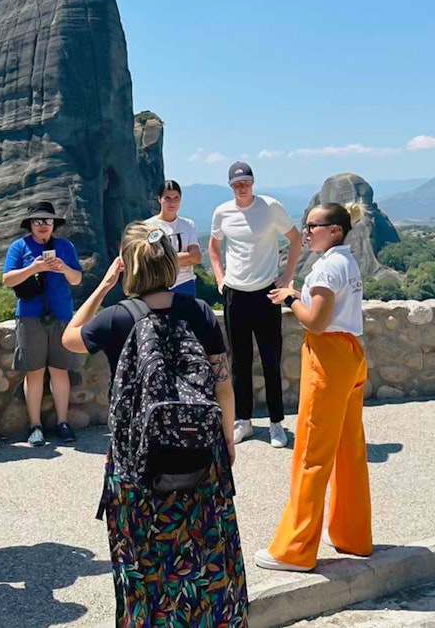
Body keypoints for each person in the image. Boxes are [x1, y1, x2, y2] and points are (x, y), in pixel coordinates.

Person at [63, 222, 248, 626]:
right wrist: (227, 441)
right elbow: (223, 384)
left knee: (145, 557)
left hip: (138, 462)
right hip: (202, 451)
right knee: (204, 551)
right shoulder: (198, 311)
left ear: (128, 267)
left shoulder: (116, 318)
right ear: (169, 263)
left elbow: (69, 337)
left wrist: (104, 285)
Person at [256, 203, 372, 572]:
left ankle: (295, 550)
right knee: (348, 448)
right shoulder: (347, 261)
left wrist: (289, 297)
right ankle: (352, 535)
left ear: (335, 229)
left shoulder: (326, 267)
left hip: (328, 356)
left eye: (312, 226)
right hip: (351, 352)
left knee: (312, 451)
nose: (306, 232)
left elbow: (316, 322)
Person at [208, 161, 302, 449]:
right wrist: (220, 278)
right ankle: (243, 421)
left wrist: (287, 278)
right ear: (230, 185)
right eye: (237, 183)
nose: (242, 187)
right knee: (239, 361)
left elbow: (296, 239)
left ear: (253, 182)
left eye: (246, 182)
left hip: (266, 293)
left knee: (271, 358)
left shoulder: (270, 207)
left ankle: (276, 423)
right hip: (235, 295)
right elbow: (214, 246)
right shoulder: (222, 212)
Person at [1, 201, 83, 447]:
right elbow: (7, 279)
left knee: (60, 370)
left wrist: (63, 267)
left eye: (47, 221)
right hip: (30, 316)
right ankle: (35, 425)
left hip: (61, 314)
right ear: (30, 224)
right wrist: (33, 268)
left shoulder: (65, 246)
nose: (43, 225)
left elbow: (76, 279)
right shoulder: (19, 246)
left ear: (54, 224)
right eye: (38, 221)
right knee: (34, 372)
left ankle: (62, 422)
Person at [146, 180, 201, 296]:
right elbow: (149, 260)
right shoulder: (148, 226)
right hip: (158, 285)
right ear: (159, 199)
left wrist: (164, 259)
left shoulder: (188, 225)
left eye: (176, 198)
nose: (172, 203)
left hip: (185, 283)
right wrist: (185, 257)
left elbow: (196, 257)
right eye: (167, 198)